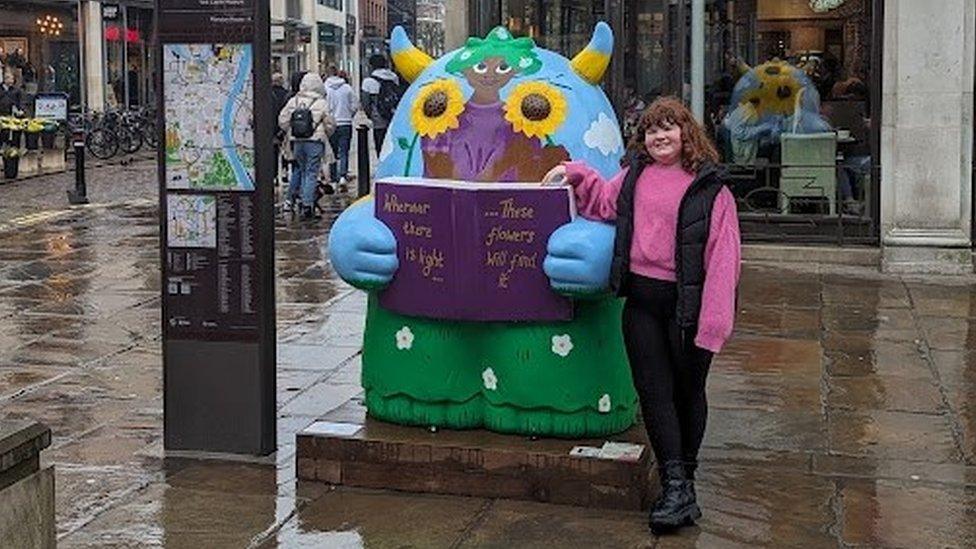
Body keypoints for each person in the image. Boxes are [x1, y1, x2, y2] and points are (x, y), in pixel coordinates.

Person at [543, 97, 741, 535]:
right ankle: (674, 484)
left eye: (669, 128)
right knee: (654, 393)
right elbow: (602, 202)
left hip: (687, 307)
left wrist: (713, 324)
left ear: (687, 133)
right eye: (652, 130)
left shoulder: (711, 189)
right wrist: (575, 172)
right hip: (642, 305)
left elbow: (725, 259)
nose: (660, 136)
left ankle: (685, 481)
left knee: (688, 393)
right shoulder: (635, 176)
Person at [278, 72, 336, 221]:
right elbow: (330, 124)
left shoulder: (294, 101)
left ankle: (298, 200)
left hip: (297, 142)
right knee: (311, 173)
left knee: (302, 171)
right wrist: (324, 133)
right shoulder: (322, 102)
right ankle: (307, 205)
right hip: (315, 142)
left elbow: (282, 121)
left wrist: (292, 131)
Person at [324, 64, 358, 192]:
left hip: (331, 123)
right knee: (344, 151)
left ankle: (333, 179)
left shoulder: (325, 88)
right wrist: (349, 115)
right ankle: (343, 176)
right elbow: (355, 105)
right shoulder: (347, 88)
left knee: (331, 153)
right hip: (345, 123)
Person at [361, 54, 401, 155]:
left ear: (371, 66)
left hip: (378, 118)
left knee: (380, 145)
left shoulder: (368, 82)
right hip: (393, 115)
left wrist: (370, 115)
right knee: (392, 144)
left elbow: (365, 103)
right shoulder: (394, 77)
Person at [270, 72, 291, 190]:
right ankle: (285, 171)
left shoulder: (268, 94)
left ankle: (274, 176)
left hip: (272, 128)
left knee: (273, 153)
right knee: (285, 151)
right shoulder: (287, 95)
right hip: (284, 127)